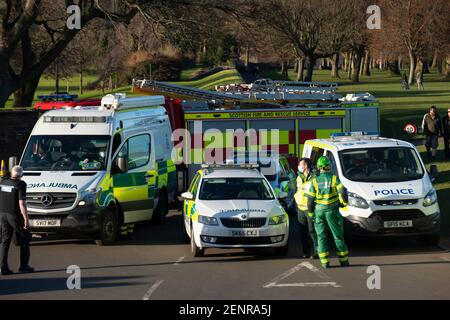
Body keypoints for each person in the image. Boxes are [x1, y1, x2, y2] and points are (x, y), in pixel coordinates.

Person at [306, 156, 349, 269]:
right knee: (337, 236)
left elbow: (310, 201)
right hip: (332, 210)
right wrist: (344, 203)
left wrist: (311, 215)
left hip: (319, 211)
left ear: (319, 168)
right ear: (329, 166)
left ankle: (325, 262)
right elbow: (343, 192)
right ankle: (343, 261)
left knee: (321, 237)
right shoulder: (334, 178)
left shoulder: (314, 181)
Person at [0, 165, 34, 275]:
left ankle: (3, 268)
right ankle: (24, 266)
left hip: (3, 214)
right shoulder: (21, 184)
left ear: (11, 173)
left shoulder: (3, 182)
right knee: (25, 237)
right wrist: (26, 220)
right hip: (14, 216)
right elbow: (22, 204)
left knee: (5, 240)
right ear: (21, 175)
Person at [294, 158, 318, 259]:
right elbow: (297, 191)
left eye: (301, 164)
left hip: (310, 209)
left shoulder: (315, 178)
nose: (299, 166)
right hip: (300, 209)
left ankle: (317, 252)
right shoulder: (298, 177)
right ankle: (306, 252)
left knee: (312, 231)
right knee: (302, 232)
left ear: (306, 166)